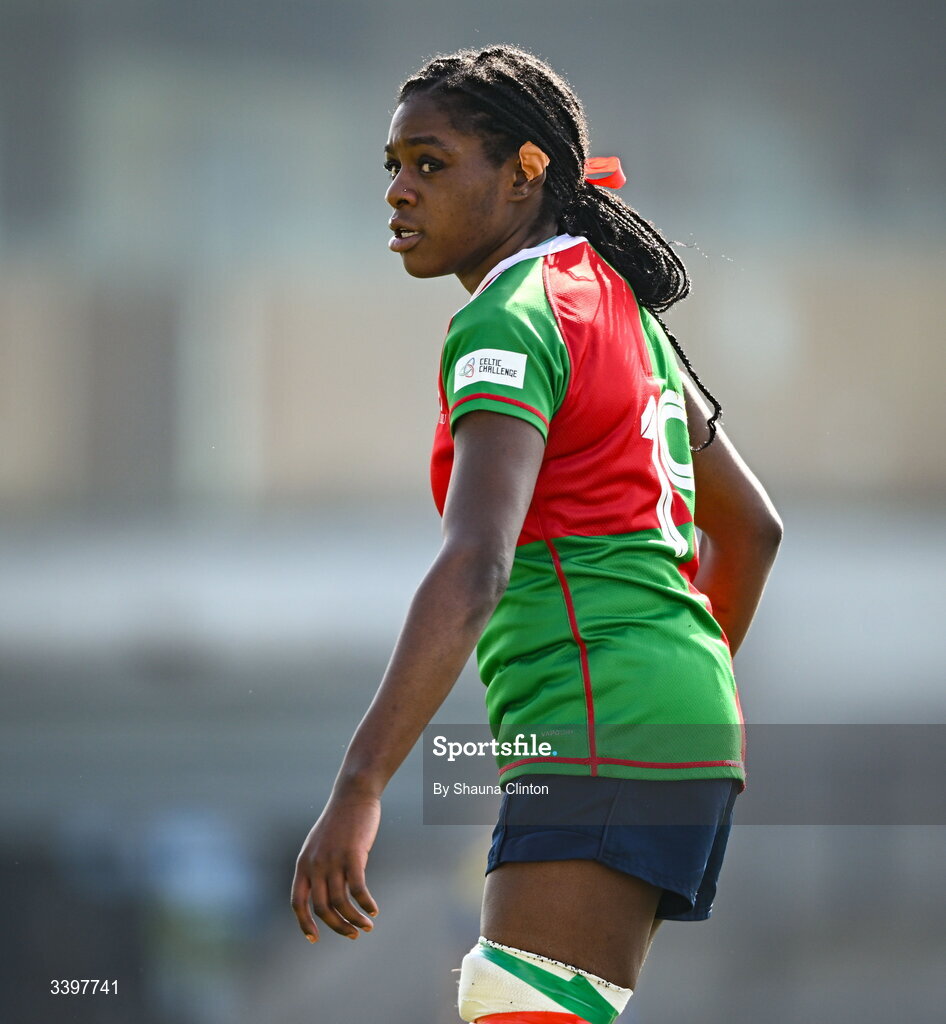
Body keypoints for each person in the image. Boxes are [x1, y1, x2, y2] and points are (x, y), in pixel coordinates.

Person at [291, 45, 782, 1024]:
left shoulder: (510, 320)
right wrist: (665, 693)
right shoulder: (620, 309)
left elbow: (476, 564)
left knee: (514, 1007)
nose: (398, 191)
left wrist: (360, 784)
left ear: (525, 169)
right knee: (528, 1005)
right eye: (391, 165)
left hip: (606, 719)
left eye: (429, 164)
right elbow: (753, 532)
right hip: (669, 713)